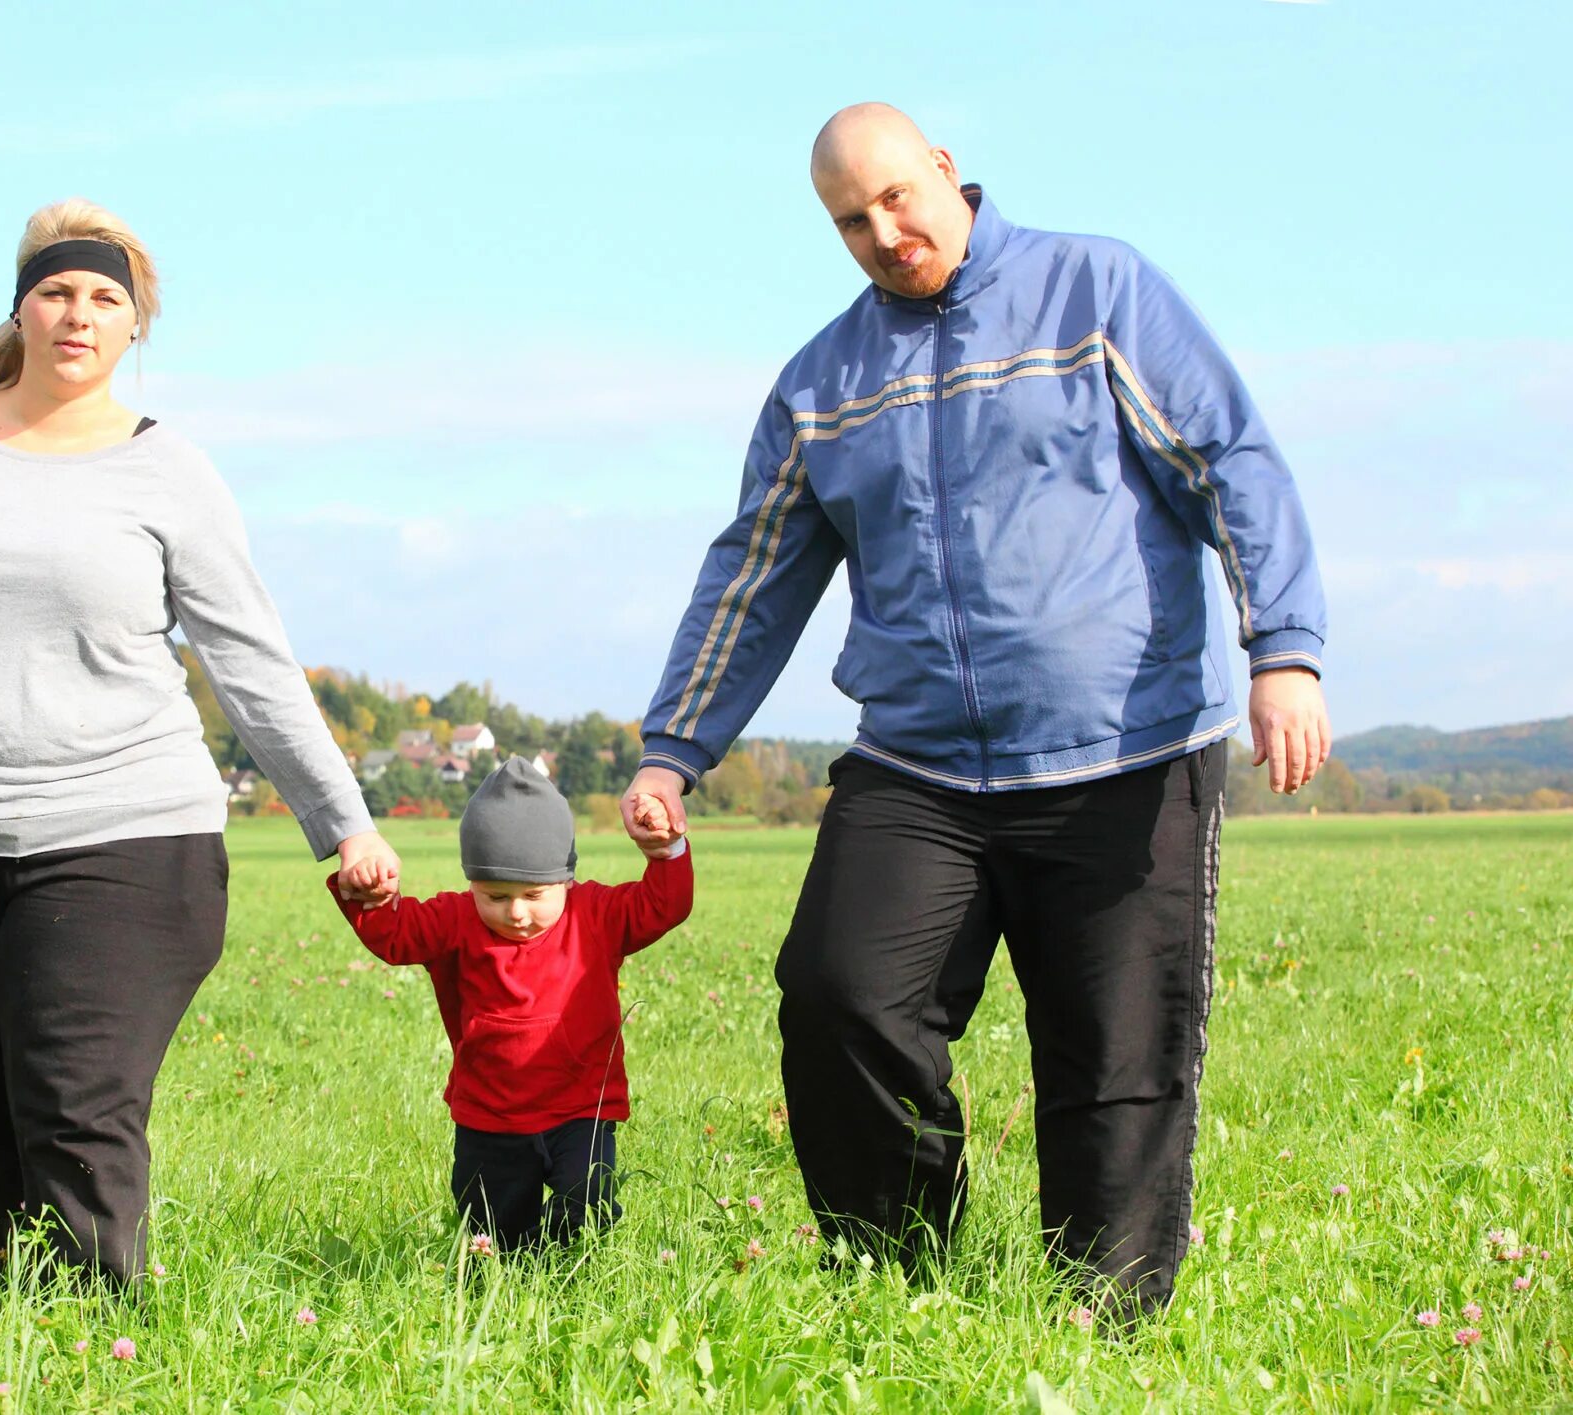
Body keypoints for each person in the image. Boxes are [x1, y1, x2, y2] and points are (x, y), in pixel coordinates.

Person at [620, 105, 1330, 1318]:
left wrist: (1285, 649)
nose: (883, 233)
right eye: (850, 219)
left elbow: (1228, 458)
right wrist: (673, 748)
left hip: (1125, 748)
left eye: (897, 198)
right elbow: (755, 571)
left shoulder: (1093, 292)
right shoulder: (821, 383)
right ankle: (901, 1279)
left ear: (945, 171)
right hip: (918, 766)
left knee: (1112, 1056)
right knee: (841, 993)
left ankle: (1101, 1319)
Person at [0, 198, 400, 1287]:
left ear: (134, 327)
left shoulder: (167, 471)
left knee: (74, 1103)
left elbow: (250, 662)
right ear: (21, 308)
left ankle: (100, 1350)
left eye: (106, 298)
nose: (78, 314)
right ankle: (26, 1325)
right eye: (57, 291)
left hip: (124, 834)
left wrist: (343, 820)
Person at [329, 759, 692, 1250]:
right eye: (495, 895)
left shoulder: (596, 915)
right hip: (490, 1116)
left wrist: (666, 850)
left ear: (565, 880)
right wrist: (372, 897)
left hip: (581, 1106)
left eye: (534, 895)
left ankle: (566, 1279)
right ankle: (505, 1286)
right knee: (495, 1235)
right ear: (473, 882)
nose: (516, 912)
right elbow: (397, 938)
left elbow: (663, 907)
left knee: (588, 1206)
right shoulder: (456, 919)